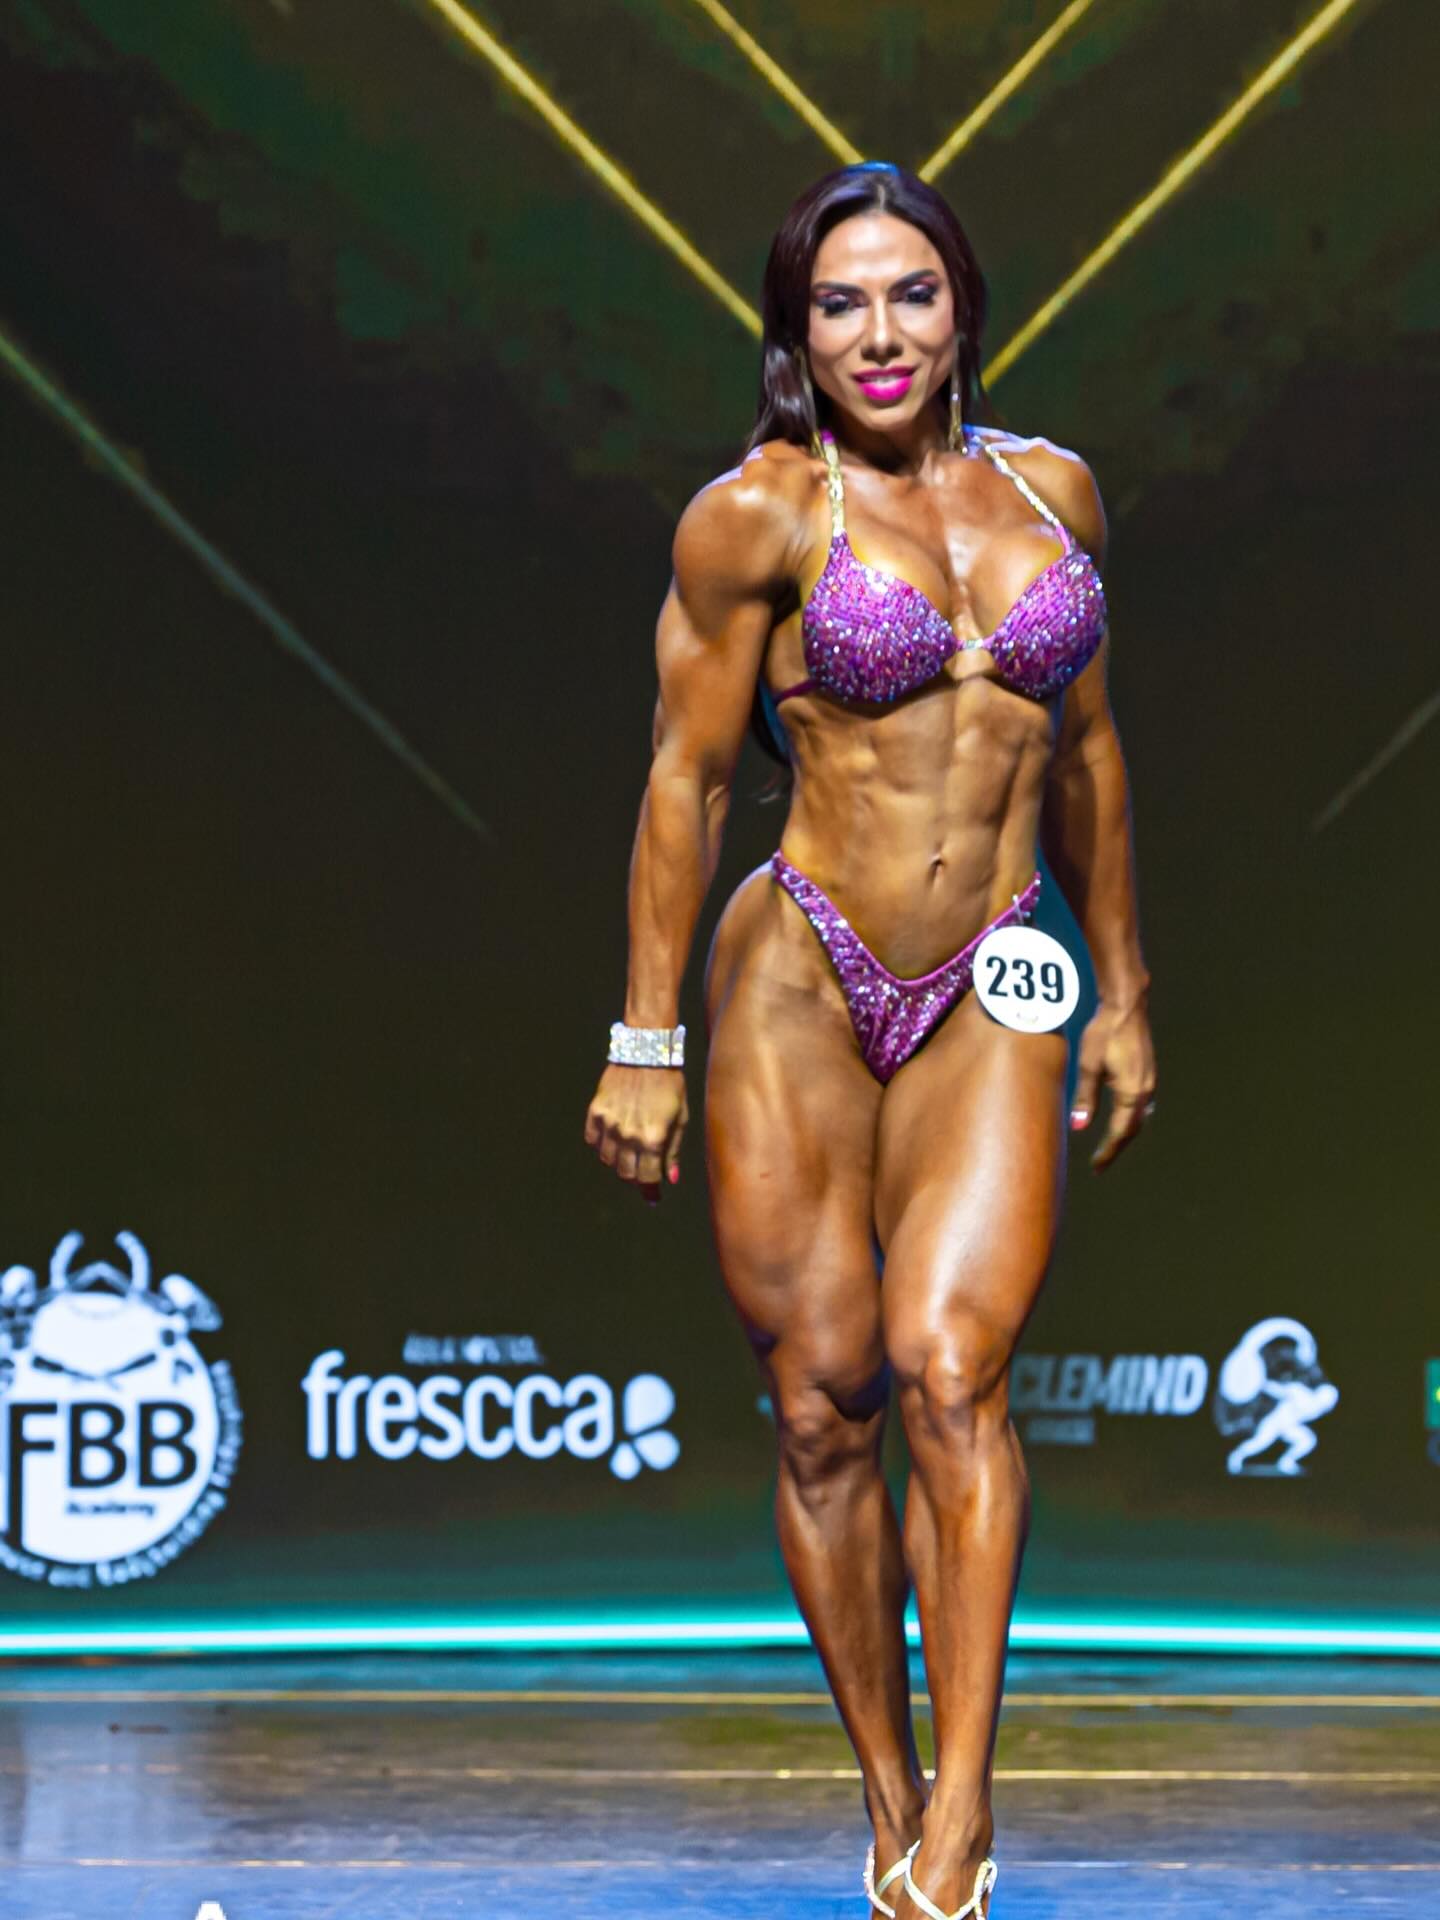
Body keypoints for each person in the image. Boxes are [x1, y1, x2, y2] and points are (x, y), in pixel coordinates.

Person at [584, 161, 1155, 1920]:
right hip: (801, 980)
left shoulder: (1054, 495)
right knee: (828, 1407)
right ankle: (889, 1791)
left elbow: (1089, 754)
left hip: (1001, 970)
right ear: (798, 331)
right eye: (840, 303)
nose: (880, 333)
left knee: (953, 1370)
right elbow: (686, 781)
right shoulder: (753, 517)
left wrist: (1126, 991)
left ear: (961, 304)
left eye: (911, 293)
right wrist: (644, 1037)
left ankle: (964, 1816)